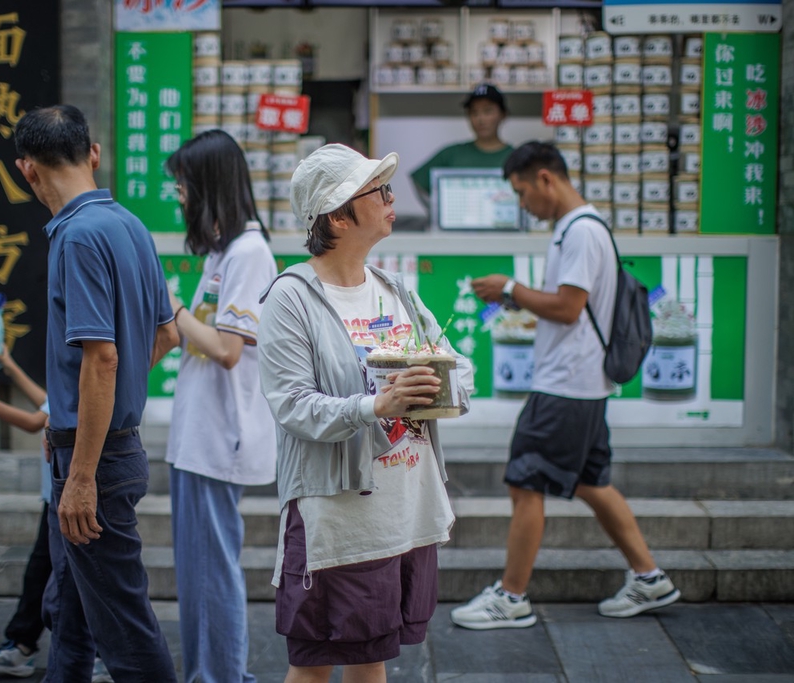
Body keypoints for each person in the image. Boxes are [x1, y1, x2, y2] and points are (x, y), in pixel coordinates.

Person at [258, 144, 474, 682]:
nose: (390, 198)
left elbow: (457, 367)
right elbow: (292, 405)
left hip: (404, 509)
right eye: (377, 191)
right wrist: (378, 404)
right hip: (339, 519)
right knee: (314, 668)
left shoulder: (393, 289)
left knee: (370, 659)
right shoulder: (291, 298)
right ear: (337, 215)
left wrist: (436, 387)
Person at [456, 141, 680, 630]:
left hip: (566, 387)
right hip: (584, 382)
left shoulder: (579, 231)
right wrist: (521, 300)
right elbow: (567, 306)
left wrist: (511, 289)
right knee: (591, 482)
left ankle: (511, 597)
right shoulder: (579, 227)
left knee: (524, 482)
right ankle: (650, 577)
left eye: (521, 192)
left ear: (544, 179)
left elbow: (569, 306)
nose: (523, 204)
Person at [13, 104, 179, 683]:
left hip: (97, 462)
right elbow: (167, 333)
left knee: (125, 632)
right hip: (99, 446)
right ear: (94, 153)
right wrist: (74, 427)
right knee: (71, 612)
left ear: (26, 170)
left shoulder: (78, 237)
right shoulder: (128, 224)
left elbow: (102, 358)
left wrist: (81, 469)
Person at [163, 130, 278, 683]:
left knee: (211, 571)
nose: (179, 194)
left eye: (182, 183)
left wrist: (173, 308)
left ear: (207, 184)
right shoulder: (226, 251)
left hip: (216, 435)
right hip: (199, 435)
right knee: (199, 570)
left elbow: (228, 349)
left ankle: (220, 676)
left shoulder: (250, 253)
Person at [0, 348, 113, 683]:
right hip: (57, 499)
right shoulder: (73, 382)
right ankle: (22, 645)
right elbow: (44, 405)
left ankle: (93, 655)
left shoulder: (90, 375)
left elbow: (37, 420)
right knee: (44, 579)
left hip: (69, 498)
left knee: (70, 584)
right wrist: (10, 364)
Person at [410, 83, 513, 206]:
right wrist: (436, 212)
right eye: (474, 112)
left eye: (488, 111)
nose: (481, 119)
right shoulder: (451, 154)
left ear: (503, 114)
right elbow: (419, 181)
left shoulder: (515, 158)